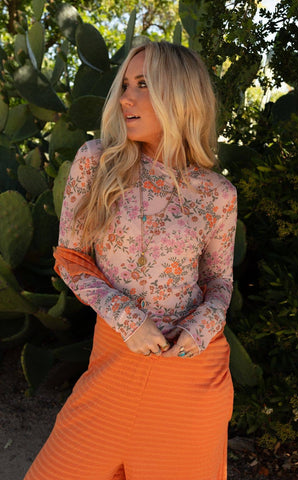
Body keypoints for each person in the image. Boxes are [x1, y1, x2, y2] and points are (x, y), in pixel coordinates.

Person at [24, 41, 237, 480]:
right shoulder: (96, 161)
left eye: (143, 84)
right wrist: (128, 320)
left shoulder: (218, 193)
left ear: (179, 96)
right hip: (115, 361)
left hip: (191, 376)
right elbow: (70, 257)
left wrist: (200, 329)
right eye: (125, 84)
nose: (125, 97)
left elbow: (219, 282)